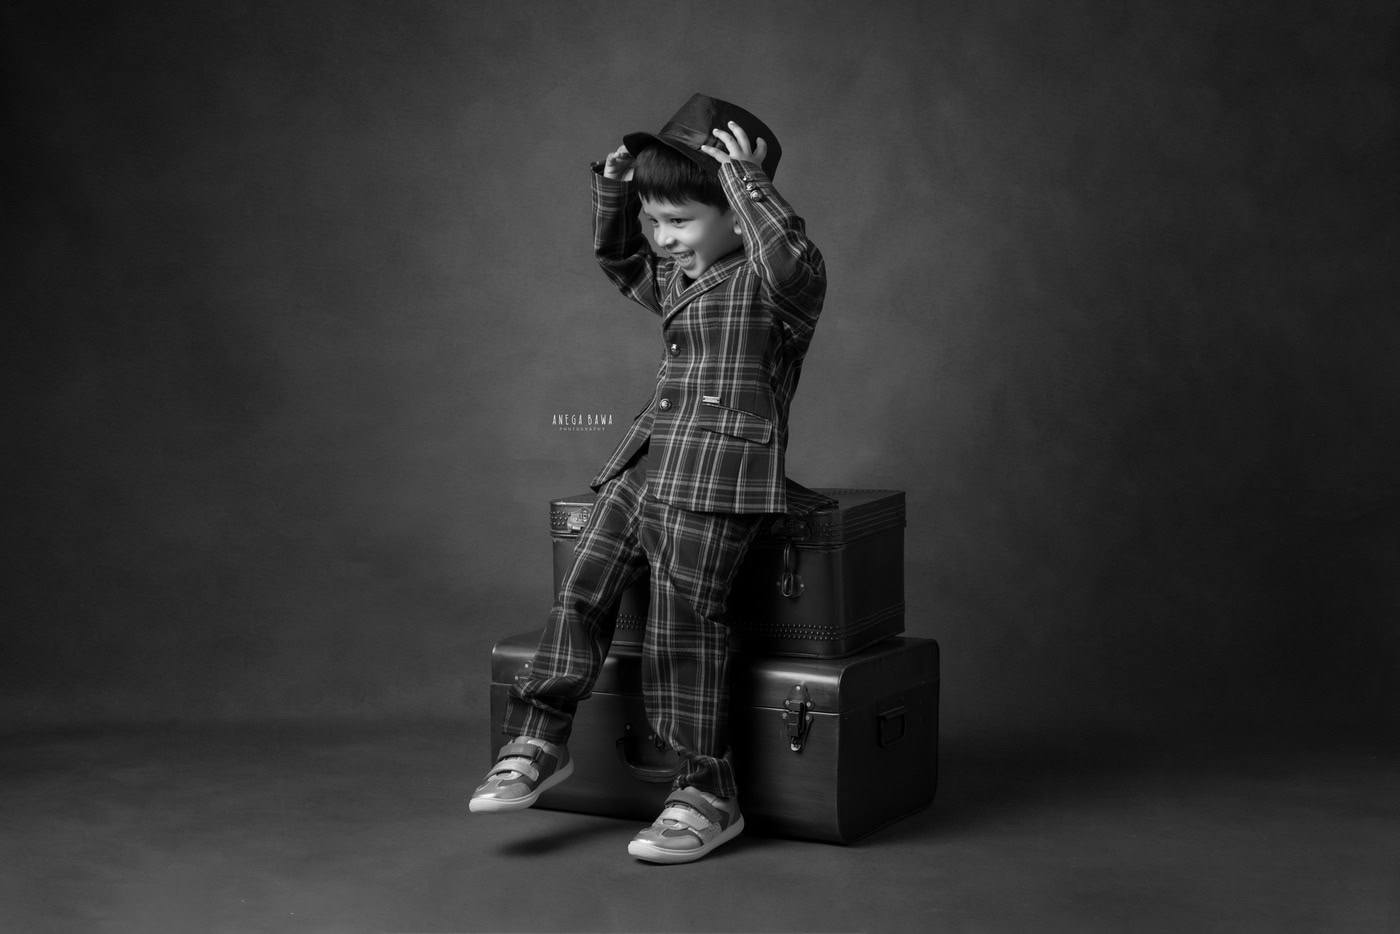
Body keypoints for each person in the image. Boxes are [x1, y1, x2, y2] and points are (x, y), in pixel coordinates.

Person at [470, 93, 827, 864]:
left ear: (736, 211)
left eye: (679, 221)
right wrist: (614, 189)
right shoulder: (677, 277)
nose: (662, 240)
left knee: (682, 631)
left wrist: (750, 185)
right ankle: (537, 740)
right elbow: (621, 260)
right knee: (582, 593)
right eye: (654, 218)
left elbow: (789, 257)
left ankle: (706, 792)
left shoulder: (779, 289)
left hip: (718, 482)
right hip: (647, 462)